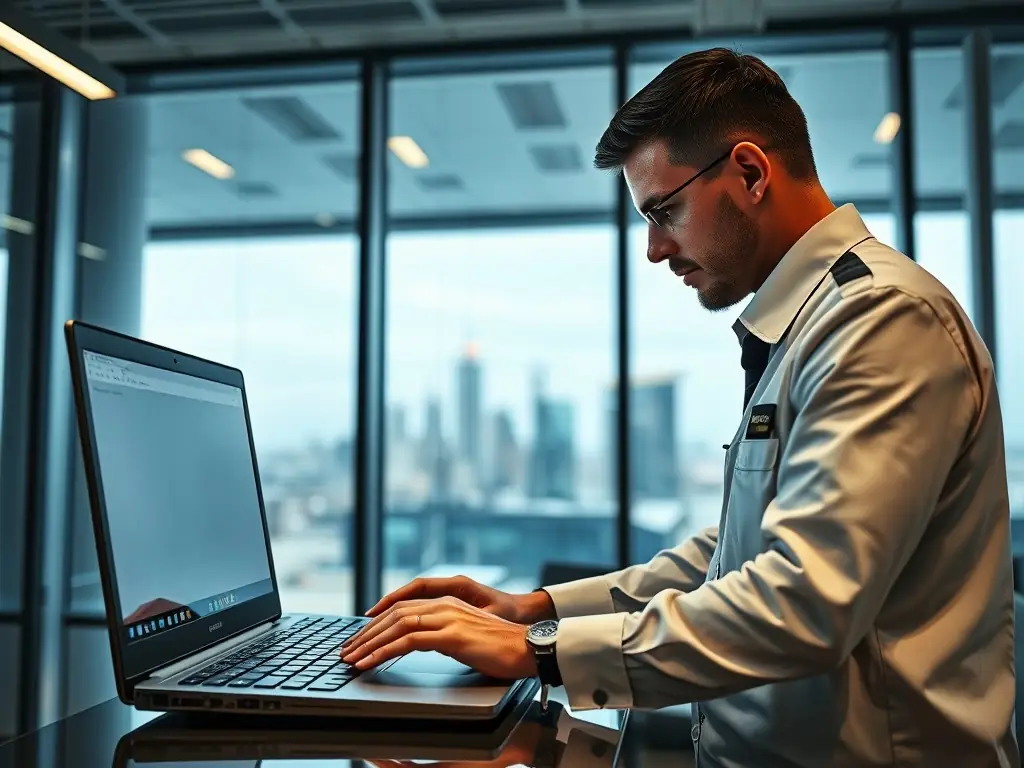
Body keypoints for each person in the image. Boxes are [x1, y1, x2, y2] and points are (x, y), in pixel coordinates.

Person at [341, 48, 1018, 766]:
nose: (655, 249)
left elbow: (803, 605)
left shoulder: (881, 320)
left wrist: (540, 651)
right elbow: (733, 554)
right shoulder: (812, 326)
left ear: (751, 173)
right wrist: (536, 611)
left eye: (665, 210)